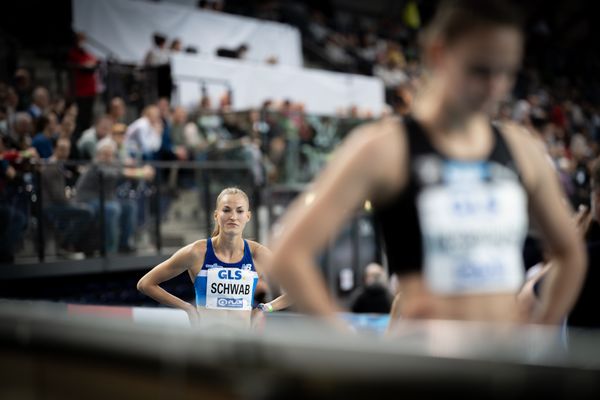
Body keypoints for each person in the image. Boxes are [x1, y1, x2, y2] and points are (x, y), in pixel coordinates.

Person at [268, 0, 586, 327]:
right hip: (429, 363)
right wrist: (348, 344)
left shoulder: (521, 149)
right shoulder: (384, 149)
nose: (495, 87)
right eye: (480, 70)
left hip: (503, 363)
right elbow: (289, 255)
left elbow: (571, 253)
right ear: (439, 54)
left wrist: (543, 325)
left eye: (507, 73)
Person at [137, 187, 290, 328]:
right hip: (206, 344)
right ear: (216, 215)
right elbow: (145, 284)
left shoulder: (259, 254)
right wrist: (187, 308)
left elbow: (297, 290)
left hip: (242, 344)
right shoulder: (197, 252)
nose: (233, 217)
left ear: (248, 216)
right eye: (226, 210)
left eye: (240, 211)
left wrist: (265, 307)